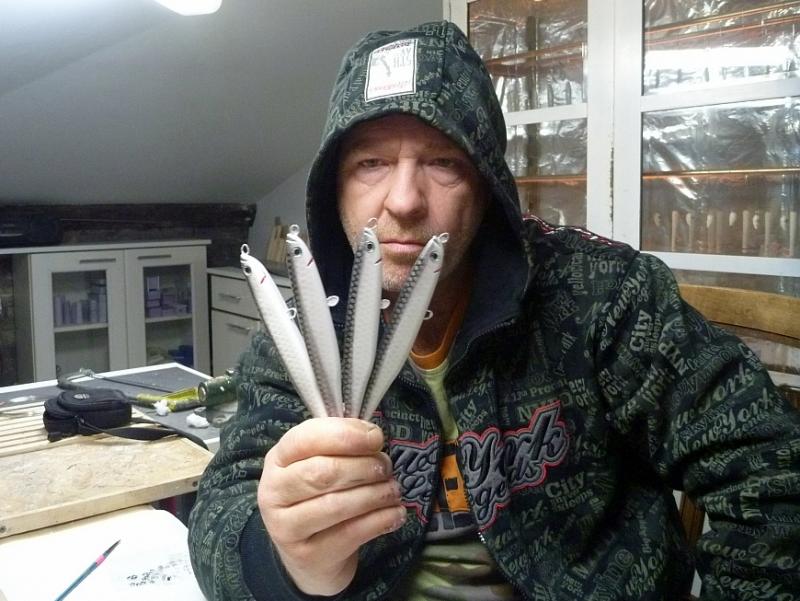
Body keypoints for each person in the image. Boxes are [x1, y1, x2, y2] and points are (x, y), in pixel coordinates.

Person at [188, 21, 800, 601]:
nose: (404, 201)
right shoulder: (304, 335)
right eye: (371, 163)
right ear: (334, 188)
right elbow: (219, 515)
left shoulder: (603, 296)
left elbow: (773, 472)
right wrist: (287, 562)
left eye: (443, 162)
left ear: (487, 186)